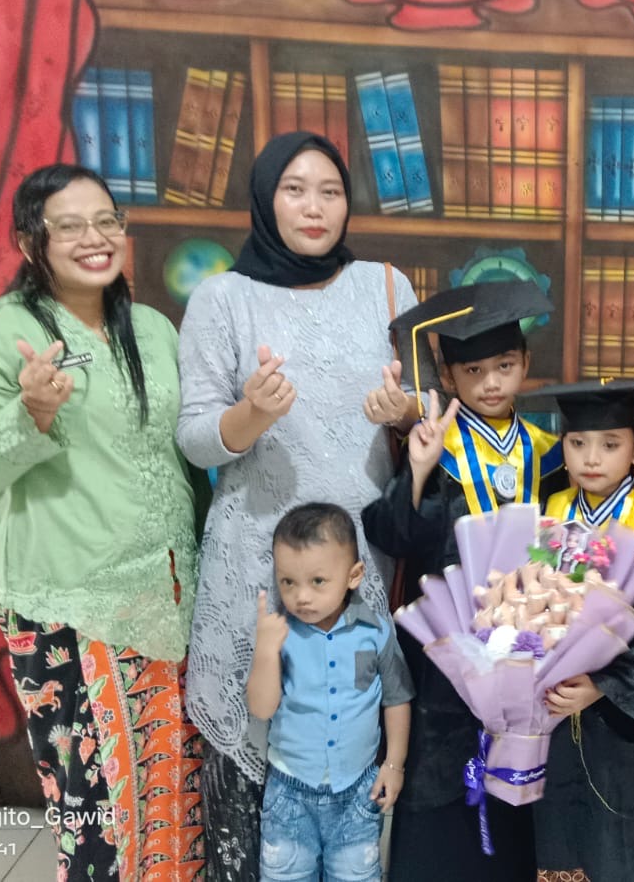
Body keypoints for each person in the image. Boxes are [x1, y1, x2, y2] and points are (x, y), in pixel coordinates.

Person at [0, 164, 205, 880]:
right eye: (71, 226)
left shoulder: (151, 329)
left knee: (173, 799)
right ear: (31, 242)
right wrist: (30, 413)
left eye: (107, 220)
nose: (95, 238)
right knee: (99, 812)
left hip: (168, 599)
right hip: (70, 606)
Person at [177, 132, 427, 882]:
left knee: (342, 752)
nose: (313, 206)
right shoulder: (221, 298)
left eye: (329, 190)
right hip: (257, 561)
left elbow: (429, 408)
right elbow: (195, 435)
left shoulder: (387, 286)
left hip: (354, 563)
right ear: (265, 199)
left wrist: (405, 413)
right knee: (259, 748)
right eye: (293, 189)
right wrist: (250, 414)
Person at [363, 280, 564, 882]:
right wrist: (418, 471)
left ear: (525, 362)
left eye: (504, 365)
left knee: (515, 793)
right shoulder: (437, 445)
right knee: (441, 791)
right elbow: (395, 535)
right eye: (473, 371)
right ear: (448, 377)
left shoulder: (550, 453)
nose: (491, 382)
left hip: (525, 650)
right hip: (445, 662)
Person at [530, 379, 634, 882]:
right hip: (562, 704)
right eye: (578, 443)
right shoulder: (555, 509)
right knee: (567, 822)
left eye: (609, 444)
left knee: (628, 835)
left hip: (626, 715)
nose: (591, 458)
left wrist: (603, 686)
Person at [246, 503, 414, 882]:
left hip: (357, 791)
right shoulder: (279, 633)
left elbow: (397, 698)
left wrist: (394, 765)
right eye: (288, 582)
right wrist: (266, 652)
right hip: (289, 794)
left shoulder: (376, 631)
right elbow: (261, 707)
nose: (301, 596)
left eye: (317, 581)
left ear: (354, 575)